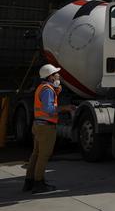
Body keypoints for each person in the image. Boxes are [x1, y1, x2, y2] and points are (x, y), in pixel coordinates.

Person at [23, 64, 75, 194]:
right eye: (56, 73)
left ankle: (29, 182)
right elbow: (49, 109)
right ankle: (38, 183)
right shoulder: (47, 90)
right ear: (50, 77)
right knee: (43, 156)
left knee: (36, 154)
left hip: (39, 126)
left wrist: (56, 90)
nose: (58, 75)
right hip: (46, 127)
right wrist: (66, 108)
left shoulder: (44, 87)